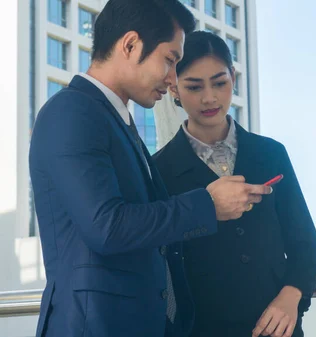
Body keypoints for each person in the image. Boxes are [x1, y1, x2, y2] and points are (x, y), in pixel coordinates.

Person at [28, 1, 272, 336]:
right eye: (170, 60)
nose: (173, 78)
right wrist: (207, 205)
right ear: (130, 45)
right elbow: (107, 227)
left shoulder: (117, 121)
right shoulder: (71, 112)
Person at [153, 31, 316, 337]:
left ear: (233, 77)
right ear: (174, 88)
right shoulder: (159, 169)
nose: (209, 98)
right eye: (194, 86)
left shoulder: (271, 153)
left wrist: (291, 296)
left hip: (276, 327)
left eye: (219, 82)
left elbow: (305, 244)